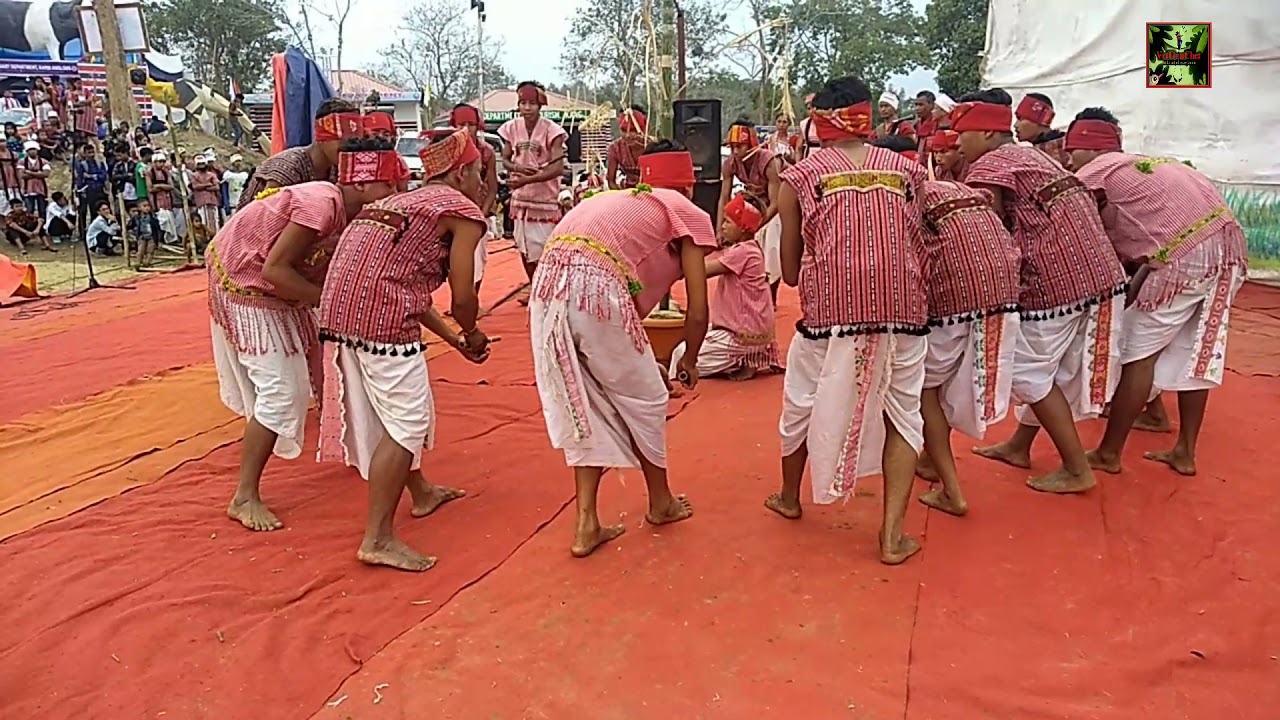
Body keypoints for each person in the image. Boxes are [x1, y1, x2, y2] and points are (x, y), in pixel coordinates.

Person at [766, 75, 931, 566]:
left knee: (801, 402)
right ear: (870, 119)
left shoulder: (800, 177)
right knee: (904, 413)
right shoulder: (908, 170)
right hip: (904, 307)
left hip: (831, 313)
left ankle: (790, 497)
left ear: (819, 124)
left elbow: (791, 273)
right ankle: (892, 535)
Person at [529, 139, 717, 558]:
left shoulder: (616, 199)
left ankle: (586, 523)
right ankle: (661, 502)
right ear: (689, 185)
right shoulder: (684, 210)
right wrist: (688, 358)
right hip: (594, 288)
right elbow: (699, 312)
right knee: (647, 397)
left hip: (545, 288)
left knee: (584, 402)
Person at [316, 130, 490, 572]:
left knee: (394, 416)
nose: (483, 183)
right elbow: (463, 296)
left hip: (342, 315)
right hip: (381, 319)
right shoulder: (460, 209)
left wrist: (453, 340)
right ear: (464, 171)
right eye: (480, 172)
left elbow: (411, 287)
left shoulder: (397, 203)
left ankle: (422, 492)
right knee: (406, 422)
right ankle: (378, 538)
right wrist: (471, 331)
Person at [209, 138, 401, 534]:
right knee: (282, 391)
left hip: (285, 288)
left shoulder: (360, 215)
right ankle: (243, 496)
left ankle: (402, 476)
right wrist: (331, 304)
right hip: (248, 283)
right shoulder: (321, 203)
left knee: (334, 375)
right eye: (391, 186)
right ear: (363, 185)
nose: (396, 196)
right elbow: (275, 271)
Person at [953, 90, 1127, 494]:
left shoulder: (992, 165)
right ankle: (1019, 445)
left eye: (961, 133)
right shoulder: (1035, 156)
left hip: (1056, 280)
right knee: (1048, 372)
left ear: (985, 132)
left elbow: (986, 234)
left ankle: (1076, 469)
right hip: (1098, 271)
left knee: (1027, 372)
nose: (957, 143)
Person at [1067, 108, 1249, 477]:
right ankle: (1183, 450)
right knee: (1195, 353)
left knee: (1137, 353)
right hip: (1229, 251)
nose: (1069, 161)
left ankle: (1108, 453)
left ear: (1087, 147)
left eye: (1071, 152)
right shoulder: (1143, 164)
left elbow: (1080, 238)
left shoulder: (1094, 173)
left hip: (1186, 258)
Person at [875, 135, 1021, 515]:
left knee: (921, 390)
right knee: (937, 387)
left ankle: (952, 490)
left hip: (956, 298)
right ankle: (929, 458)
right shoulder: (958, 187)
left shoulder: (901, 196)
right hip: (1002, 292)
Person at [668, 191, 780, 382]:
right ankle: (742, 359)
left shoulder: (743, 252)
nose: (723, 226)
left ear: (743, 227)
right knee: (691, 341)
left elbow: (700, 271)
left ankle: (738, 358)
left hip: (741, 333)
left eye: (728, 222)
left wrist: (685, 252)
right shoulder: (747, 249)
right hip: (747, 329)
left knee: (682, 356)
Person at [498, 81, 567, 291]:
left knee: (545, 249)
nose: (527, 108)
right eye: (522, 103)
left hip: (544, 200)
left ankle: (547, 289)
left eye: (531, 104)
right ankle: (535, 289)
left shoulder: (553, 130)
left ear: (540, 106)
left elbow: (557, 168)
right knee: (524, 248)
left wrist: (526, 179)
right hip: (520, 199)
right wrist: (517, 168)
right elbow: (506, 159)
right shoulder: (510, 128)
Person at [236, 98, 362, 209]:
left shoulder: (336, 169)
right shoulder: (288, 166)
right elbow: (265, 216)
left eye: (353, 141)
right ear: (322, 136)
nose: (348, 147)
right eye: (342, 141)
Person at [717, 120, 783, 305]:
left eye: (739, 146)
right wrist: (720, 228)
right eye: (732, 147)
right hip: (755, 203)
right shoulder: (730, 163)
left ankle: (771, 296)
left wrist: (756, 225)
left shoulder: (769, 161)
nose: (735, 152)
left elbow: (776, 202)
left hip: (778, 204)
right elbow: (724, 197)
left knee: (770, 246)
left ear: (751, 144)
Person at [450, 104, 499, 292]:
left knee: (477, 260)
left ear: (478, 126)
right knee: (453, 262)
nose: (465, 129)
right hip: (452, 213)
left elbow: (492, 187)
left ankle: (473, 299)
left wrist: (481, 215)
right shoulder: (447, 151)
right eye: (461, 124)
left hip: (478, 212)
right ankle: (460, 300)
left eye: (471, 124)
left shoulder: (486, 152)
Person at [1014, 93, 1068, 167]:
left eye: (1021, 119)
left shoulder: (1065, 151)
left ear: (1040, 121)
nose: (1015, 125)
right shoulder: (1065, 146)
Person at [606, 105, 647, 189]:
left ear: (643, 129)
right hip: (627, 192)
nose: (628, 135)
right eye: (624, 130)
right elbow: (611, 181)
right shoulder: (615, 148)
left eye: (633, 130)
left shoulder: (654, 146)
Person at [20, 140, 50, 219]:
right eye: (30, 150)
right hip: (28, 190)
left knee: (42, 210)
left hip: (41, 189)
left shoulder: (43, 161)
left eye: (34, 149)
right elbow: (22, 175)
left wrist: (29, 172)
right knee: (30, 210)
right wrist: (38, 174)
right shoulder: (22, 161)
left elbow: (46, 174)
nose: (32, 151)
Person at [191, 155, 222, 232]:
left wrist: (203, 187)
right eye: (199, 164)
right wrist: (208, 185)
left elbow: (217, 187)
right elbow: (195, 186)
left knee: (215, 221)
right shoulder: (194, 175)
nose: (201, 165)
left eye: (203, 163)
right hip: (201, 203)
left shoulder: (212, 175)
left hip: (212, 202)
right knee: (203, 221)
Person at [128, 197, 162, 266]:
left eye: (148, 206)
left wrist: (158, 239)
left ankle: (147, 262)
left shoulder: (153, 217)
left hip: (151, 236)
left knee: (150, 250)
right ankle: (138, 262)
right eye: (144, 206)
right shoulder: (137, 217)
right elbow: (130, 225)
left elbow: (157, 228)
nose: (147, 208)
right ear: (139, 208)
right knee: (141, 250)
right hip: (142, 236)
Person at [913, 90, 939, 157]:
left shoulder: (938, 123)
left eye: (921, 105)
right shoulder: (916, 125)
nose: (917, 108)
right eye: (916, 105)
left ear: (931, 105)